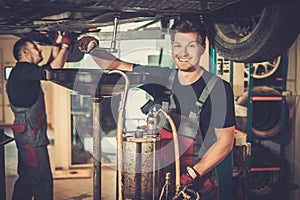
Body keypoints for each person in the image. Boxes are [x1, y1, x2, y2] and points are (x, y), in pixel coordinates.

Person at [78, 16, 235, 200]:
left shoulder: (218, 88)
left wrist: (192, 174)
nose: (183, 52)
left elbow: (225, 142)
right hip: (159, 182)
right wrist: (92, 49)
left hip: (197, 185)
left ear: (202, 48)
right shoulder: (161, 78)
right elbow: (116, 65)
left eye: (191, 46)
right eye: (178, 45)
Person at [6, 32, 70, 200]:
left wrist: (57, 46)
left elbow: (49, 67)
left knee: (27, 179)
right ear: (25, 52)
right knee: (42, 180)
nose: (39, 50)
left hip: (27, 134)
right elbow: (54, 70)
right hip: (31, 137)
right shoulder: (24, 70)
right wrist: (65, 45)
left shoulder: (23, 72)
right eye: (34, 48)